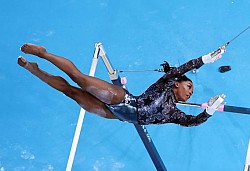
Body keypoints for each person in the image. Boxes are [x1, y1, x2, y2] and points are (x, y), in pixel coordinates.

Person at [17, 43, 226, 127]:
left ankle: (36, 70)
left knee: (70, 92)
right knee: (78, 78)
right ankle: (43, 53)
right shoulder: (165, 84)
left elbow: (193, 121)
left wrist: (209, 110)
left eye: (192, 91)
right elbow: (181, 69)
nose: (190, 92)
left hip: (113, 114)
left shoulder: (174, 114)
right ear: (176, 84)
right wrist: (205, 59)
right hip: (120, 99)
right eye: (189, 86)